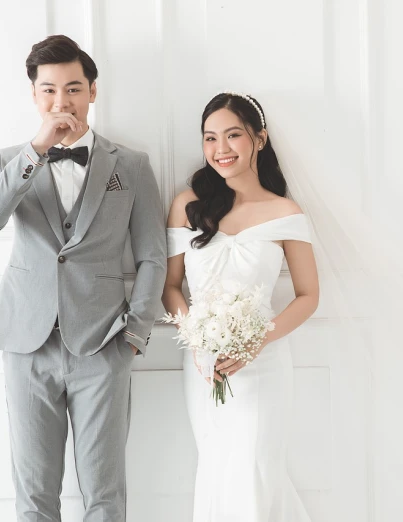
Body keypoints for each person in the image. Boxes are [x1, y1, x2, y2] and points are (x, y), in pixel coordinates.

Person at [0, 34, 167, 521]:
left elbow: (152, 256)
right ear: (34, 95)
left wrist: (135, 335)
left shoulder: (133, 166)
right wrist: (37, 148)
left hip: (103, 343)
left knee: (104, 492)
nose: (63, 102)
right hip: (26, 341)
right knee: (34, 493)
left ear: (93, 92)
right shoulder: (6, 160)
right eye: (49, 90)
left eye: (74, 89)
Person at [162, 92, 318, 522]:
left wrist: (257, 343)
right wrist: (197, 339)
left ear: (259, 139)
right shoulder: (186, 205)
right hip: (203, 365)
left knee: (255, 469)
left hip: (264, 366)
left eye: (233, 135)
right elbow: (171, 287)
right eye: (210, 138)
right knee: (218, 469)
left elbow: (308, 296)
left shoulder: (285, 212)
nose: (221, 149)